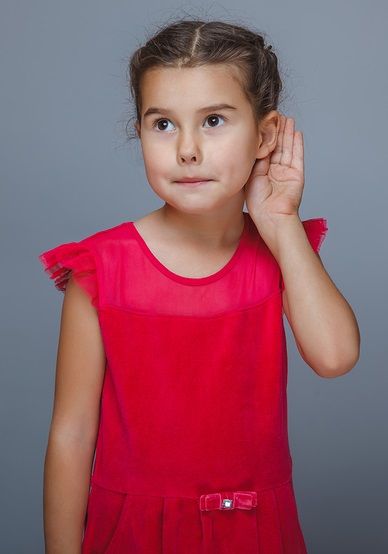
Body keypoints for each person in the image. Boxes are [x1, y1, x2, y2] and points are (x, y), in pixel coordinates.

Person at [40, 19, 360, 554]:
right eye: (163, 125)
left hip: (258, 532)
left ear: (264, 135)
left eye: (213, 120)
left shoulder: (279, 254)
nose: (187, 149)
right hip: (134, 534)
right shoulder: (101, 268)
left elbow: (335, 356)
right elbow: (71, 436)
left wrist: (281, 222)